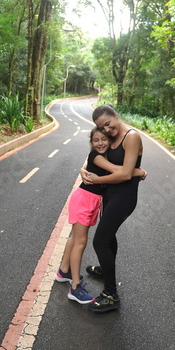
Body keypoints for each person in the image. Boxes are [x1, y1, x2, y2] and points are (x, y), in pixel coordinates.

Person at [56, 126, 146, 305]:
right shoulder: (97, 157)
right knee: (81, 242)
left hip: (89, 201)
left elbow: (117, 168)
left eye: (104, 140)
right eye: (96, 140)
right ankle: (75, 287)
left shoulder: (102, 156)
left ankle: (64, 271)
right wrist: (139, 172)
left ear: (110, 141)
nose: (100, 143)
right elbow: (118, 170)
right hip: (84, 200)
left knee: (76, 238)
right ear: (91, 143)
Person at [80, 104, 144, 313]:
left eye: (108, 124)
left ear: (116, 116)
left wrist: (99, 180)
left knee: (100, 241)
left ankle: (111, 294)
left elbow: (125, 174)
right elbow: (96, 158)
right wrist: (83, 170)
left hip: (124, 197)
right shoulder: (112, 138)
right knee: (109, 237)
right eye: (102, 127)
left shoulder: (131, 137)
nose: (106, 130)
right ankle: (105, 270)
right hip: (109, 195)